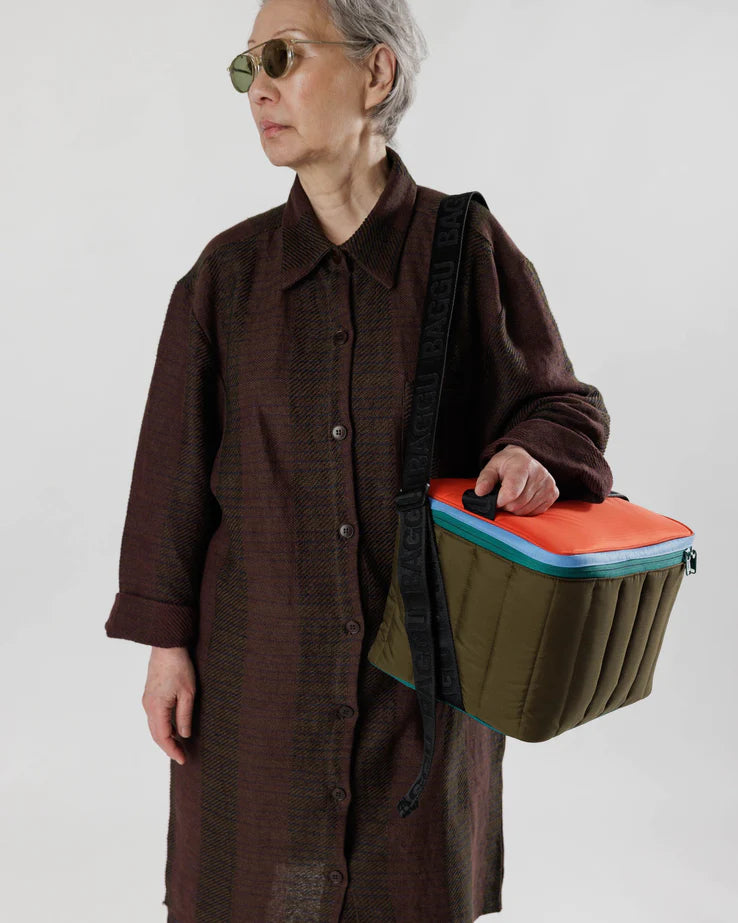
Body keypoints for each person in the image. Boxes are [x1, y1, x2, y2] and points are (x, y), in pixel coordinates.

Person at [105, 0, 614, 920]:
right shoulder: (225, 278)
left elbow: (564, 407)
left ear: (377, 74)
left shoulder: (466, 249)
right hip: (260, 690)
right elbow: (170, 477)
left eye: (283, 57)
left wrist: (531, 452)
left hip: (418, 696)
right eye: (248, 67)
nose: (258, 88)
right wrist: (165, 649)